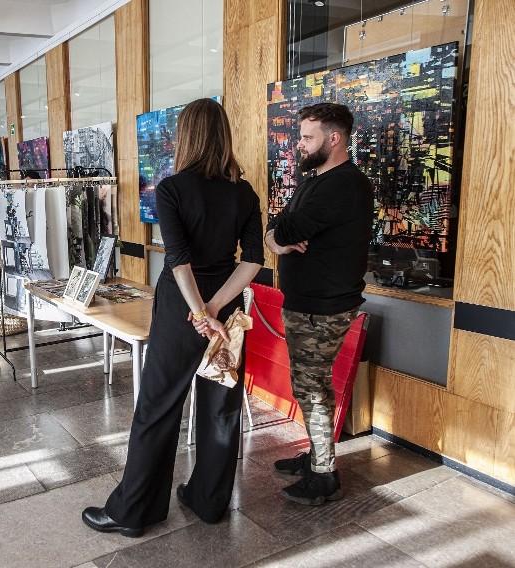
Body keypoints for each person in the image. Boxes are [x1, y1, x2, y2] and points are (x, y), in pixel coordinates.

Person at [82, 98, 264, 536]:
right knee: (221, 407)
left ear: (187, 137)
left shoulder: (171, 189)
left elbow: (179, 261)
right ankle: (209, 501)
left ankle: (133, 512)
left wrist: (200, 311)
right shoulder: (244, 192)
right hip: (227, 309)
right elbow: (253, 261)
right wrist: (217, 309)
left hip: (184, 310)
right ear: (223, 135)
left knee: (158, 407)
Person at [265, 103, 374, 506]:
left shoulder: (344, 185)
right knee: (313, 384)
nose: (300, 144)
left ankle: (324, 475)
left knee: (309, 387)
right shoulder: (316, 180)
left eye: (308, 137)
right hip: (309, 302)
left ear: (334, 138)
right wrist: (276, 237)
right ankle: (317, 455)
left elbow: (285, 227)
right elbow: (274, 226)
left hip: (323, 307)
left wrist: (277, 235)